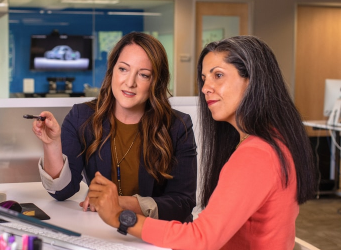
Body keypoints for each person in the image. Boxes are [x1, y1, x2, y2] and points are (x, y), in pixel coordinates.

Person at [87, 35, 318, 249]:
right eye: (204, 78)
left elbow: (201, 239)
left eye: (218, 75)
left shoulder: (256, 154)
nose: (206, 88)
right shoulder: (275, 139)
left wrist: (120, 218)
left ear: (252, 81)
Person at [31, 32, 197, 222]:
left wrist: (118, 202)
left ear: (155, 82)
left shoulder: (178, 126)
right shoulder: (82, 117)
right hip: (104, 231)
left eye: (143, 75)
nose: (130, 82)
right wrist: (52, 144)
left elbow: (182, 203)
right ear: (112, 71)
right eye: (123, 69)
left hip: (156, 235)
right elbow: (61, 191)